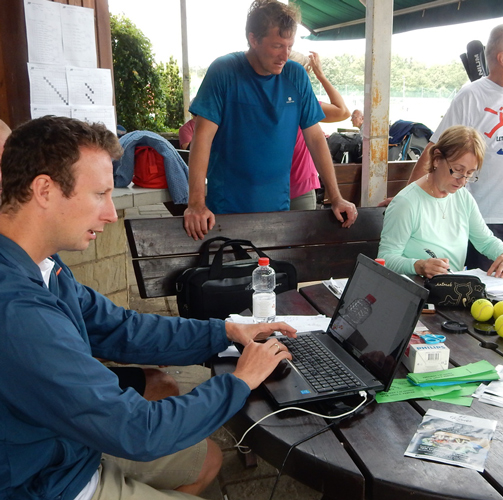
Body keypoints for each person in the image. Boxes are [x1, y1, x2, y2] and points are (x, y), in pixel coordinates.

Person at [0, 115, 298, 500]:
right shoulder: (17, 311)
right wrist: (239, 382)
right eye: (99, 194)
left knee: (206, 458)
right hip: (46, 482)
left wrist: (225, 331)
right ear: (44, 190)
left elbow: (120, 328)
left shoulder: (43, 264)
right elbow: (139, 430)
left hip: (71, 444)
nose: (111, 213)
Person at [184, 0, 356, 240]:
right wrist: (196, 203)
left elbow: (315, 138)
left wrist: (336, 197)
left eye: (289, 46)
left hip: (278, 210)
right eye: (277, 46)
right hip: (225, 209)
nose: (285, 55)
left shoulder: (295, 75)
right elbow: (202, 138)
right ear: (253, 39)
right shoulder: (224, 71)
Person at [394, 24, 503, 282]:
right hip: (489, 216)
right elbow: (436, 148)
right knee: (486, 294)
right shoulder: (471, 95)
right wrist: (409, 195)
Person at [378, 125, 503, 278]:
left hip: (453, 285)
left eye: (470, 174)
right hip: (416, 286)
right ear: (437, 159)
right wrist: (418, 266)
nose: (462, 181)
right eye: (457, 170)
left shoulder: (463, 197)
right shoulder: (406, 202)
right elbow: (386, 258)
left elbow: (485, 241)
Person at [288, 50, 350, 211]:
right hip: (298, 187)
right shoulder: (305, 104)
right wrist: (320, 75)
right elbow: (342, 111)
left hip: (299, 187)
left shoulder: (306, 103)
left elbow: (343, 112)